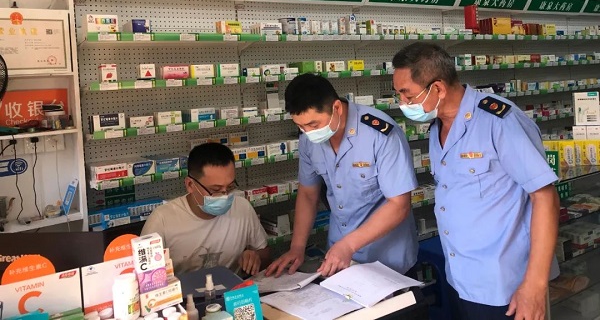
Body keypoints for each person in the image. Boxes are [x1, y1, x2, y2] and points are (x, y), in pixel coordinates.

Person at [392, 42, 559, 320]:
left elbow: (544, 197)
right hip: (460, 277)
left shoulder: (499, 120)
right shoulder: (437, 126)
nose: (402, 102)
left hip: (505, 285)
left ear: (438, 88)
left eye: (407, 94)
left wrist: (535, 285)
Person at [266, 73, 418, 278]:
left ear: (336, 108)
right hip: (339, 255)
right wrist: (297, 247)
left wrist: (348, 245)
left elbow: (399, 205)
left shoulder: (380, 133)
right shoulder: (308, 139)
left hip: (386, 256)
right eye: (300, 126)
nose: (308, 132)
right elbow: (308, 194)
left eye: (314, 125)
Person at [141, 143, 270, 275]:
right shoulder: (162, 219)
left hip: (233, 287)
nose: (225, 196)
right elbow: (145, 275)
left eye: (230, 187)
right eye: (215, 190)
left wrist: (256, 257)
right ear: (190, 185)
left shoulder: (242, 208)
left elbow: (264, 253)